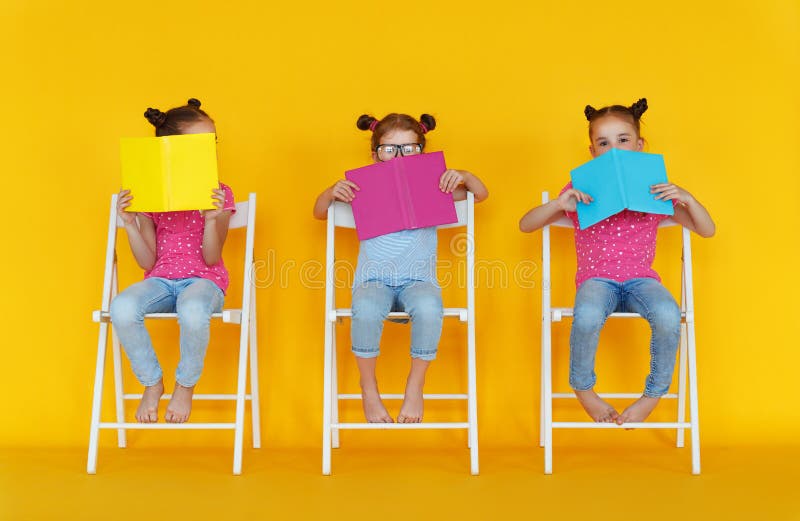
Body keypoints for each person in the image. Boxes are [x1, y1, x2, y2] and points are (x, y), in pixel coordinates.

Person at [519, 98, 715, 425]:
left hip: (642, 280)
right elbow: (526, 225)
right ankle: (583, 389)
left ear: (639, 145)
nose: (614, 148)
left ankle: (652, 396)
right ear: (593, 151)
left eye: (623, 140)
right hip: (597, 280)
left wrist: (688, 199)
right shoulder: (580, 188)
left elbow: (706, 230)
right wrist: (558, 204)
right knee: (587, 314)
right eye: (603, 143)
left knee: (668, 313)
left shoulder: (655, 189)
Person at [314, 113, 489, 423]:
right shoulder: (361, 189)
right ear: (375, 153)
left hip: (418, 281)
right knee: (365, 308)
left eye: (409, 149)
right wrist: (330, 192)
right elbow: (319, 212)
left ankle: (415, 384)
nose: (398, 156)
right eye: (389, 149)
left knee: (429, 306)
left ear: (421, 150)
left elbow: (480, 194)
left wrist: (462, 174)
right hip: (373, 281)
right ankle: (368, 387)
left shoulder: (434, 187)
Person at [110, 98, 236, 423]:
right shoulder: (153, 194)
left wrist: (212, 219)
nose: (210, 151)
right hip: (161, 280)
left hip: (204, 282)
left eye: (213, 143)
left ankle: (185, 385)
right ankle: (152, 383)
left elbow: (211, 258)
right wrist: (130, 223)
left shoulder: (219, 193)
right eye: (199, 144)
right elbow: (148, 261)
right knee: (121, 307)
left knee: (193, 309)